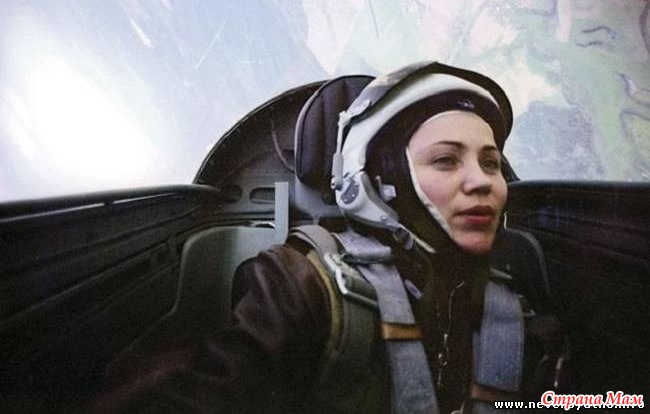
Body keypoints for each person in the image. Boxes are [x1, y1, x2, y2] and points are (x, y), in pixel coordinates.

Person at [96, 62, 552, 413]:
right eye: (446, 160)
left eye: (491, 163)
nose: (482, 181)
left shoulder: (517, 306)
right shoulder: (304, 286)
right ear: (380, 179)